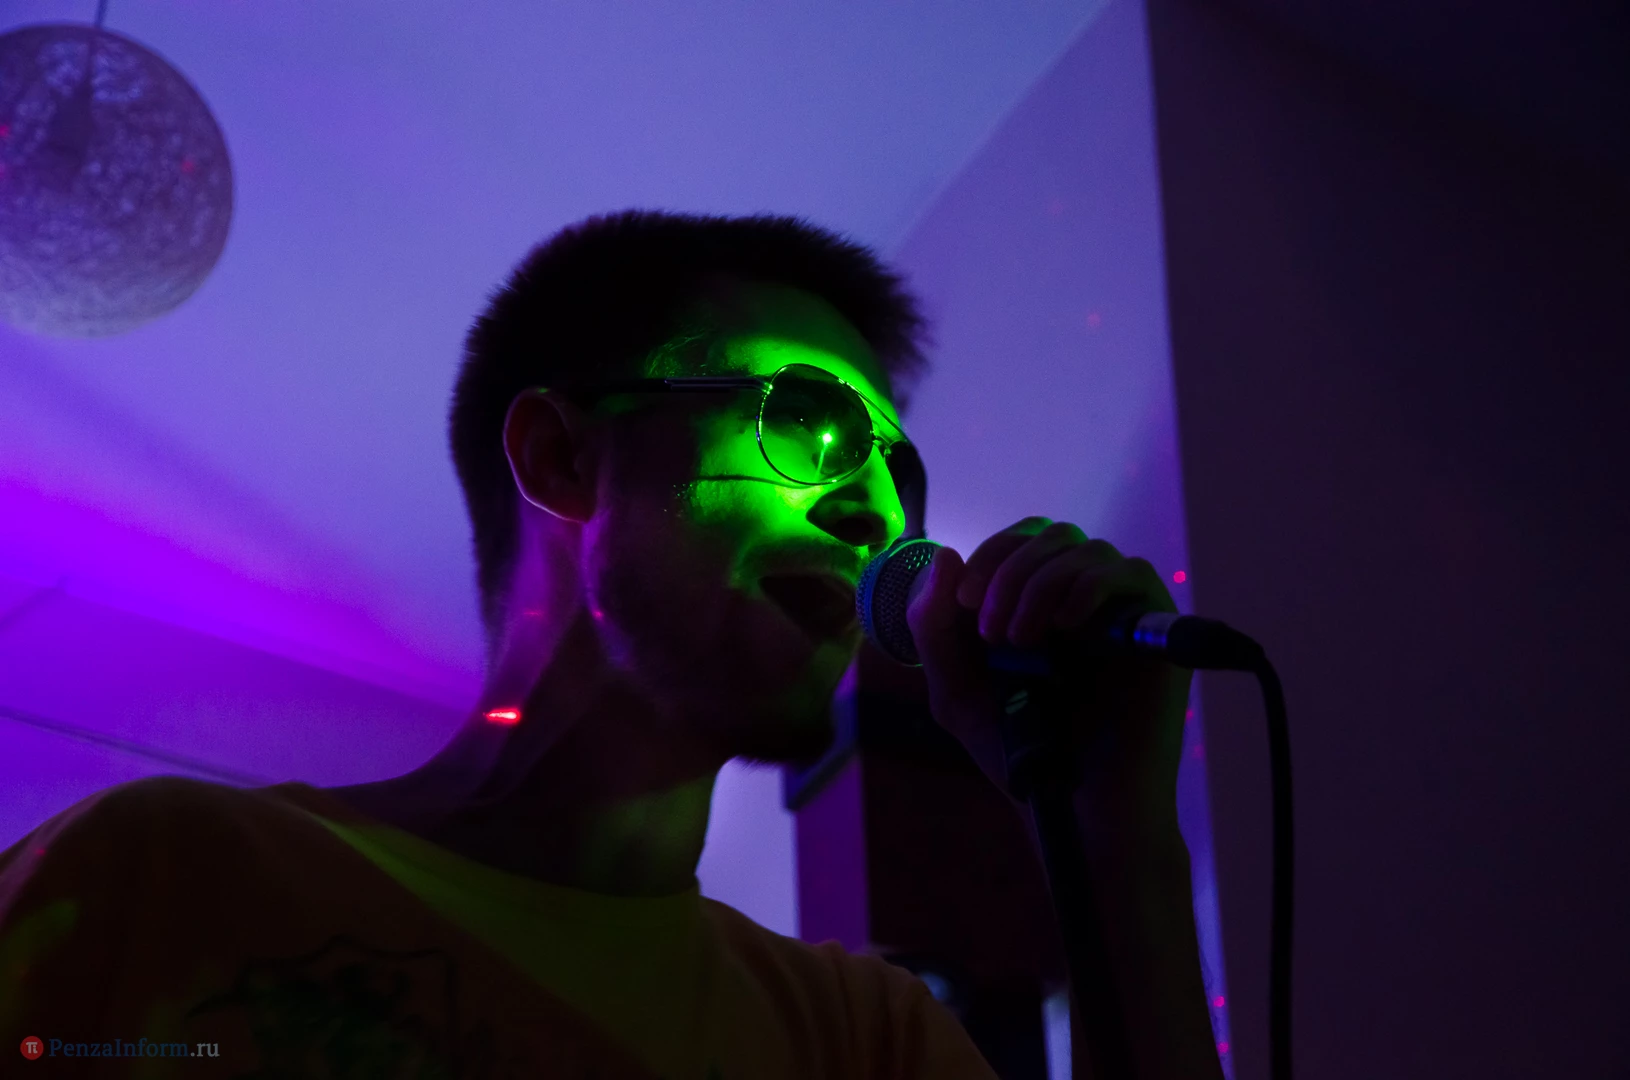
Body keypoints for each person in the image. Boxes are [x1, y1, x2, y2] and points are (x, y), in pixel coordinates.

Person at [0, 210, 1222, 1078]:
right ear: (562, 459)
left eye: (900, 475)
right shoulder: (164, 878)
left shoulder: (864, 1040)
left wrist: (1114, 834)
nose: (878, 518)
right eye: (810, 427)